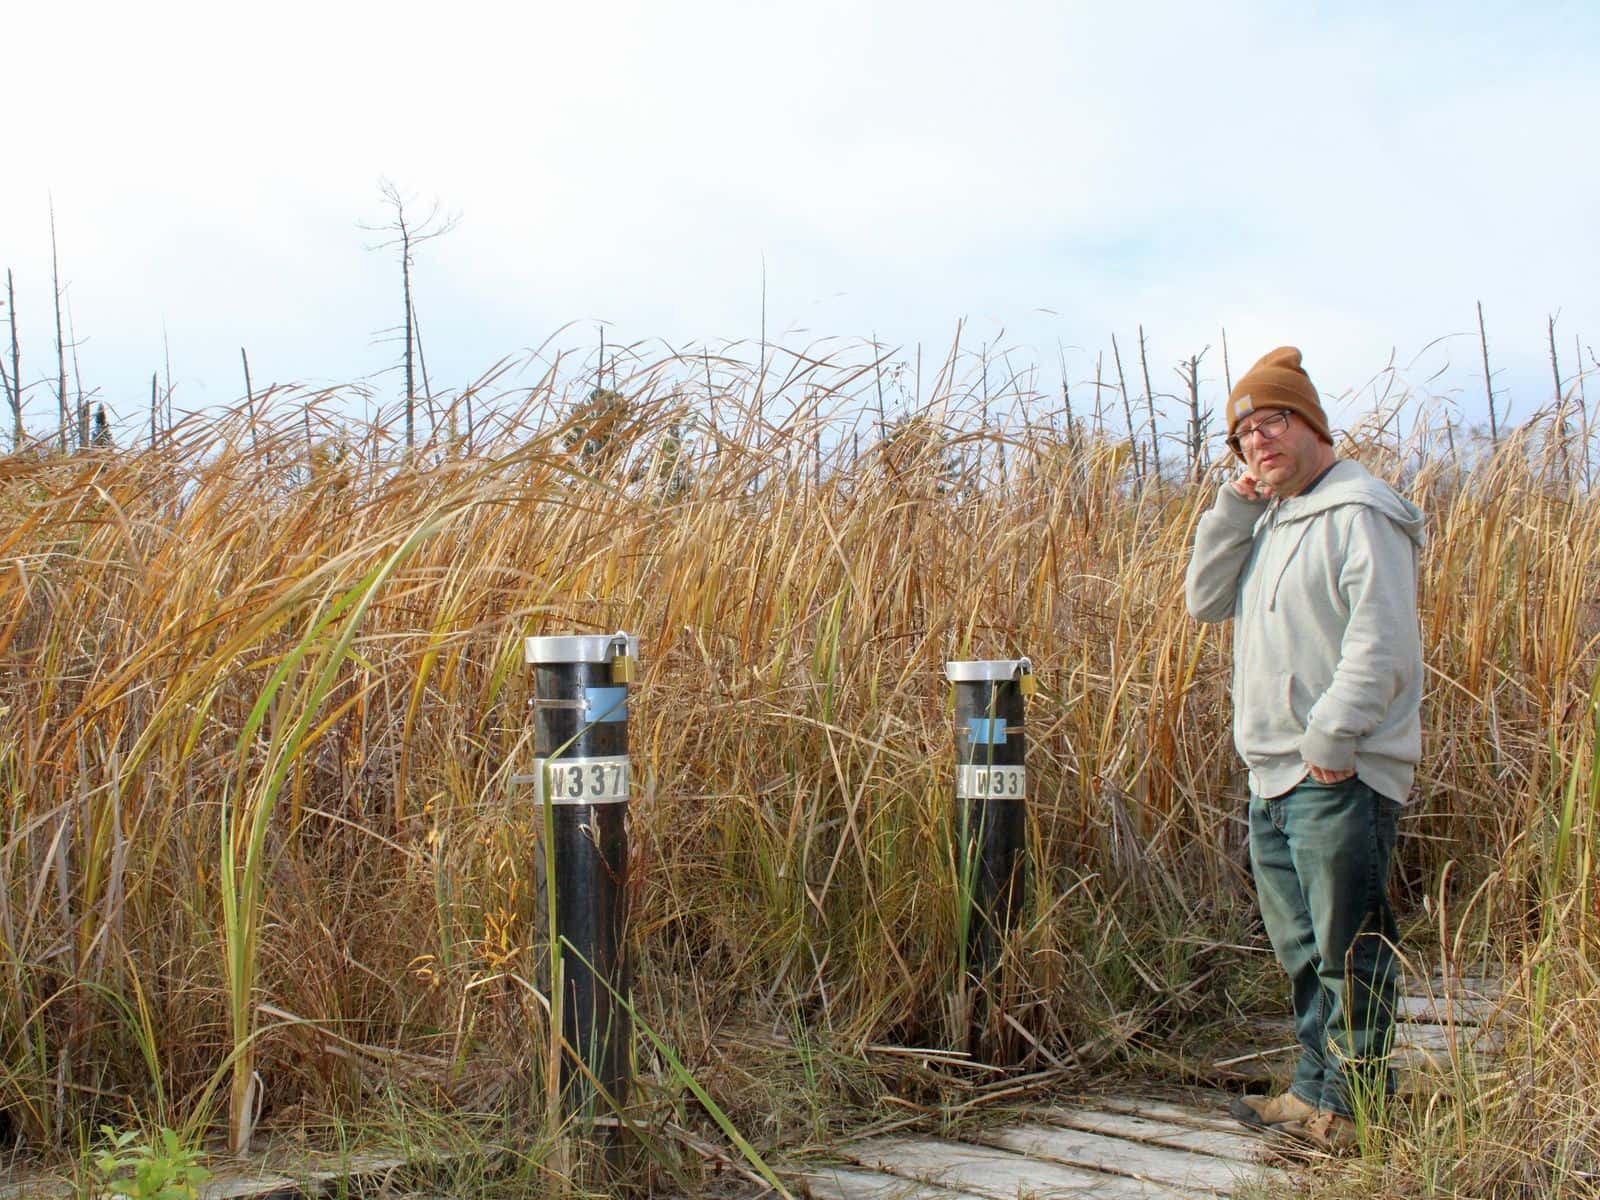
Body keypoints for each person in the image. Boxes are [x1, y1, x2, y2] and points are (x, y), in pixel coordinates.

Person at [1184, 346, 1425, 1153]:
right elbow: (1205, 600)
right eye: (1243, 432)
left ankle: (1356, 1110)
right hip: (1274, 773)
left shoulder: (1360, 511)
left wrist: (1333, 735)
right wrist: (1236, 508)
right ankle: (1313, 1089)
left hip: (1336, 770)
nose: (1258, 440)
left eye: (1274, 420)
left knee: (1348, 946)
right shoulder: (1276, 515)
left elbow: (1383, 641)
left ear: (1313, 423)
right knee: (1301, 950)